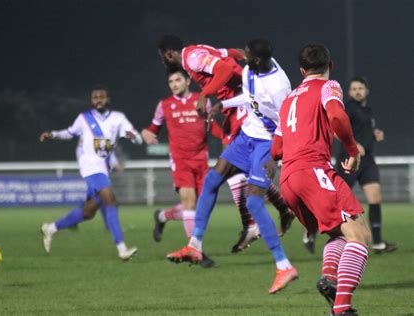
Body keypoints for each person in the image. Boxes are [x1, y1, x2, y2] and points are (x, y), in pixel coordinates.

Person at [166, 38, 298, 294]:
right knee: (212, 180)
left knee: (254, 202)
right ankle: (195, 245)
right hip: (246, 136)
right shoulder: (250, 70)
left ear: (257, 59)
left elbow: (286, 121)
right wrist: (221, 104)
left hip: (267, 143)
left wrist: (275, 156)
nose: (240, 58)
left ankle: (284, 266)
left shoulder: (279, 85)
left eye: (246, 55)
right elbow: (248, 99)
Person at [271, 44, 372, 315]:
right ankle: (341, 309)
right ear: (331, 65)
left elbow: (276, 150)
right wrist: (352, 150)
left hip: (288, 179)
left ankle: (329, 278)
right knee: (360, 236)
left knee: (338, 232)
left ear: (301, 70)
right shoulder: (329, 86)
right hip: (313, 171)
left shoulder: (289, 99)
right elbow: (337, 115)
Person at [39, 85, 142, 261]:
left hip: (103, 168)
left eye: (102, 96)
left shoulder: (118, 118)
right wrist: (53, 134)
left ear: (108, 99)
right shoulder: (84, 118)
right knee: (110, 199)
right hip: (89, 167)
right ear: (91, 101)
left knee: (88, 212)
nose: (98, 99)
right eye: (95, 97)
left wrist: (134, 137)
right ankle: (122, 249)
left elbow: (134, 135)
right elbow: (69, 133)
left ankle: (51, 228)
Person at [142, 67, 223, 267]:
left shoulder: (201, 100)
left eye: (178, 80)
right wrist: (146, 133)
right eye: (171, 82)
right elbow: (153, 128)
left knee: (197, 206)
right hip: (180, 160)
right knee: (189, 203)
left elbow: (211, 125)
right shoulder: (164, 105)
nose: (174, 84)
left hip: (201, 159)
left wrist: (226, 138)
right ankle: (196, 251)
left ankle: (162, 216)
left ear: (187, 81)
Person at [335, 77, 397, 254]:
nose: (357, 91)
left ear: (366, 90)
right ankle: (319, 233)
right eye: (353, 88)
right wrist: (353, 145)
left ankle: (377, 242)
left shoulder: (367, 110)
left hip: (368, 160)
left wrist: (375, 133)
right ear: (349, 92)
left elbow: (364, 130)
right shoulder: (347, 108)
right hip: (349, 159)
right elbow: (335, 130)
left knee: (375, 198)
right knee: (339, 201)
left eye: (360, 88)